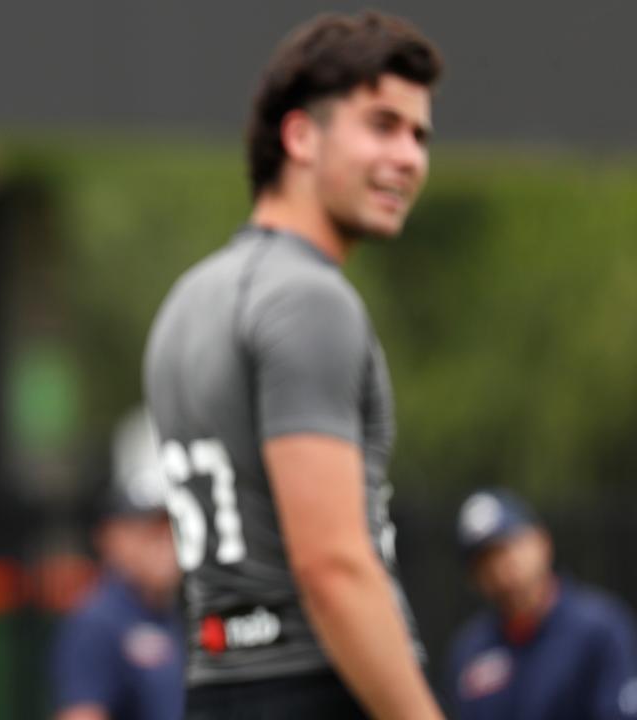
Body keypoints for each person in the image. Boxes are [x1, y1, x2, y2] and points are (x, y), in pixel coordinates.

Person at [142, 11, 444, 719]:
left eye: (420, 134)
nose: (410, 157)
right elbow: (333, 568)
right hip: (316, 682)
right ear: (301, 134)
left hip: (215, 683)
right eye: (383, 125)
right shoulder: (308, 297)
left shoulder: (190, 297)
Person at [448, 489, 637, 719]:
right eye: (484, 559)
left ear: (542, 542)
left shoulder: (600, 629)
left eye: (508, 546)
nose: (499, 566)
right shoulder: (470, 649)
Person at [51, 410, 183, 720]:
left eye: (169, 525)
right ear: (111, 537)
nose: (163, 542)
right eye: (147, 528)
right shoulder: (98, 622)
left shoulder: (180, 612)